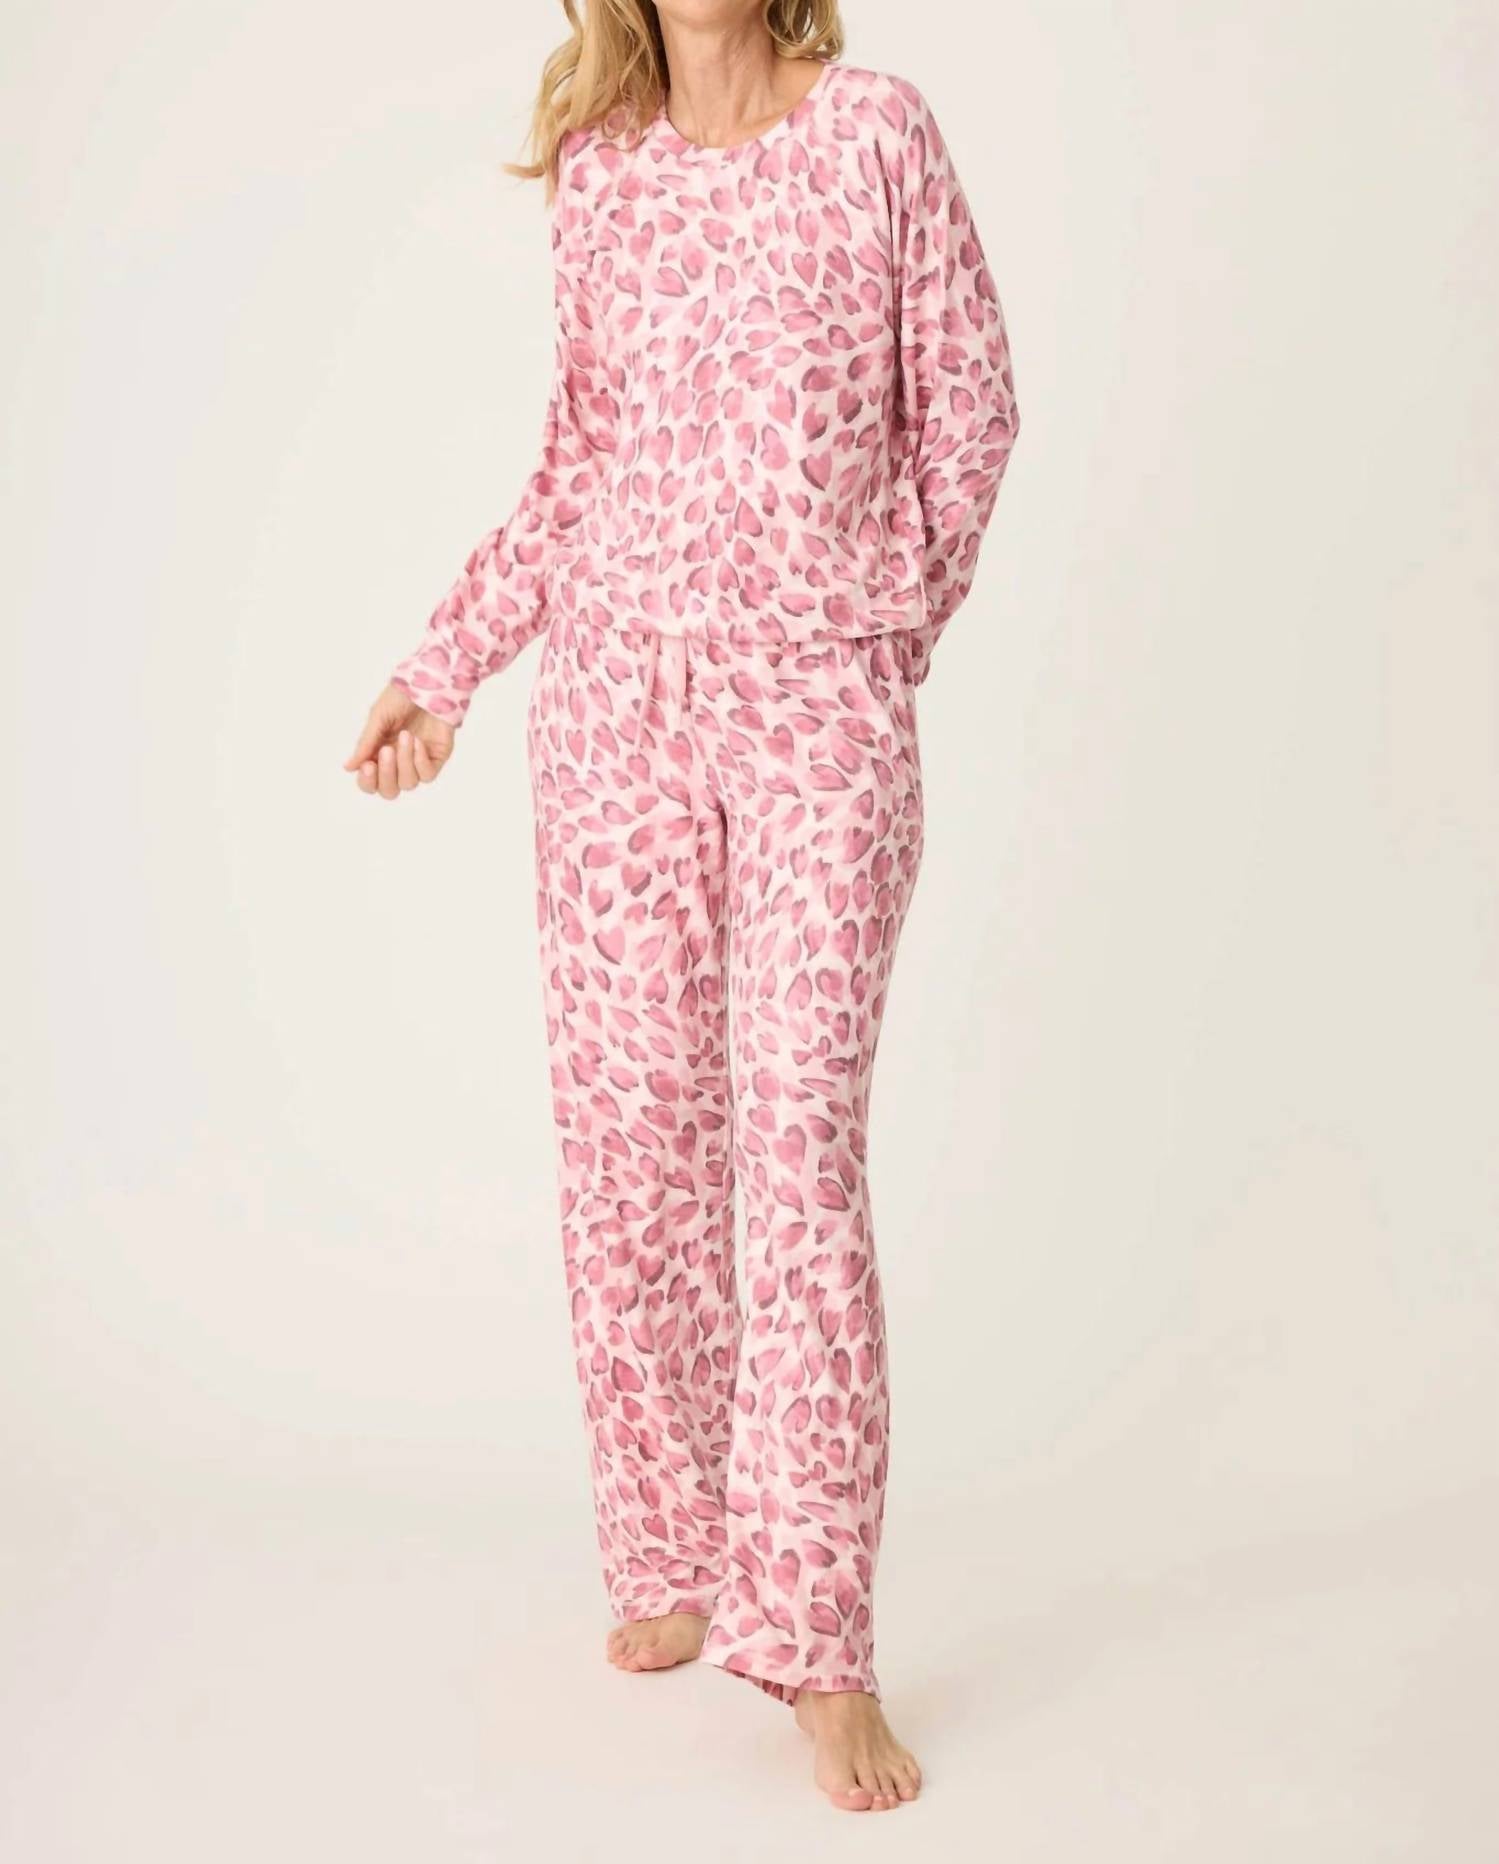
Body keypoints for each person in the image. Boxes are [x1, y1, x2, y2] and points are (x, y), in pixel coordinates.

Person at [344, 0, 1019, 1815]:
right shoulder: (603, 173)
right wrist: (445, 666)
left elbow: (971, 408)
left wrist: (879, 626)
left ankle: (821, 1644)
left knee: (795, 1155)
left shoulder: (876, 131)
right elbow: (579, 462)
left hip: (816, 714)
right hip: (615, 709)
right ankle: (672, 1543)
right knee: (636, 1136)